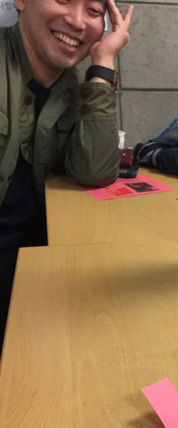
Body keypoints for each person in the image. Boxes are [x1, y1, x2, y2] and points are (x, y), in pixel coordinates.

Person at [0, 0, 134, 354]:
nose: (76, 21)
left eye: (93, 11)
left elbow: (95, 171)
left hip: (38, 264)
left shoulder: (77, 87)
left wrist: (102, 67)